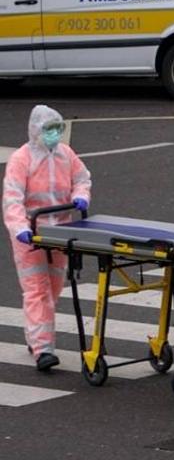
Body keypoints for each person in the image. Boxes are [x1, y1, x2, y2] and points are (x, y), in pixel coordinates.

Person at [3, 106, 91, 371]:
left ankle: (36, 337)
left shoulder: (66, 154)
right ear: (36, 130)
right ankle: (43, 349)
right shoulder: (22, 159)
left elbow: (82, 179)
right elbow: (12, 199)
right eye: (48, 129)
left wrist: (81, 196)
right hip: (31, 235)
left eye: (57, 129)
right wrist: (20, 228)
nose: (53, 134)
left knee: (52, 289)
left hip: (60, 233)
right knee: (37, 290)